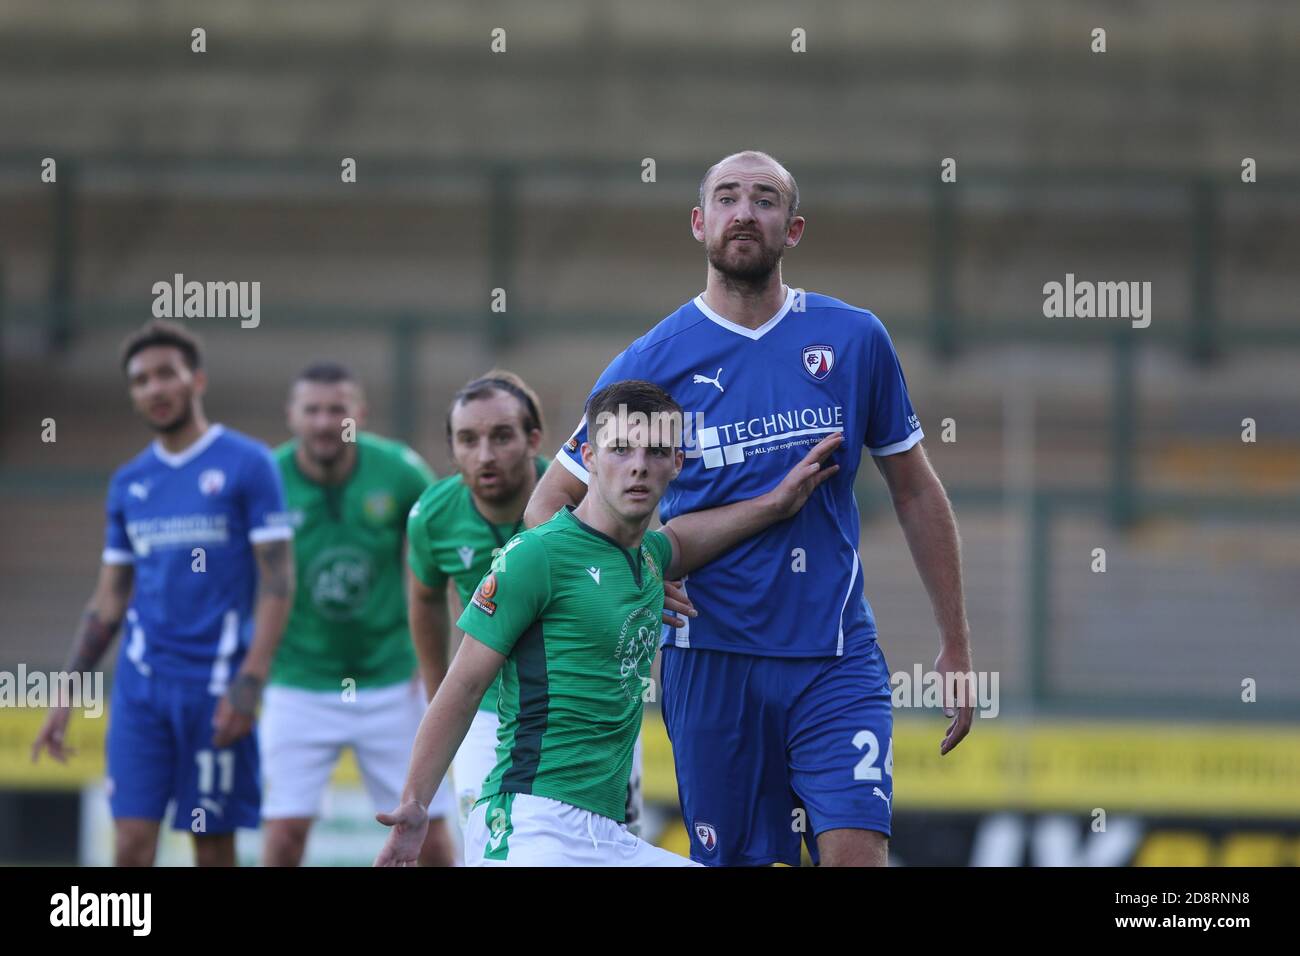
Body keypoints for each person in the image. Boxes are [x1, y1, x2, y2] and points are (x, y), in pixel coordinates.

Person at [524, 151, 975, 867]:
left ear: (792, 230)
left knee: (857, 853)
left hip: (833, 652)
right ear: (700, 224)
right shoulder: (652, 361)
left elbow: (916, 489)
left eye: (764, 200)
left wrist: (955, 642)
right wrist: (635, 573)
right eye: (727, 198)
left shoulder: (855, 340)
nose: (744, 212)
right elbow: (548, 507)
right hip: (710, 660)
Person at [375, 380, 842, 866]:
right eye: (620, 448)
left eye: (656, 450)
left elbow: (684, 538)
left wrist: (776, 504)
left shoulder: (651, 559)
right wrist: (415, 802)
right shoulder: (537, 554)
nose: (638, 464)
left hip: (609, 836)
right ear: (589, 458)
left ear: (677, 464)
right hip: (531, 826)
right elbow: (465, 684)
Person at [31, 319, 295, 866]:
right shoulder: (130, 482)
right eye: (141, 380)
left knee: (212, 844)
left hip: (217, 687)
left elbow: (277, 581)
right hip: (141, 690)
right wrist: (67, 692)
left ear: (196, 380)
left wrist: (250, 682)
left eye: (165, 374)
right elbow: (109, 599)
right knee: (129, 844)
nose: (154, 388)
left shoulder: (248, 464)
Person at [260, 362, 455, 866]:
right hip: (298, 680)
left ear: (359, 415)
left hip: (391, 682)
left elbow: (437, 565)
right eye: (312, 410)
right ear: (291, 416)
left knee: (430, 838)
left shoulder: (401, 472)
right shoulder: (266, 479)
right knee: (283, 836)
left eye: (337, 409)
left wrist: (427, 659)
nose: (325, 422)